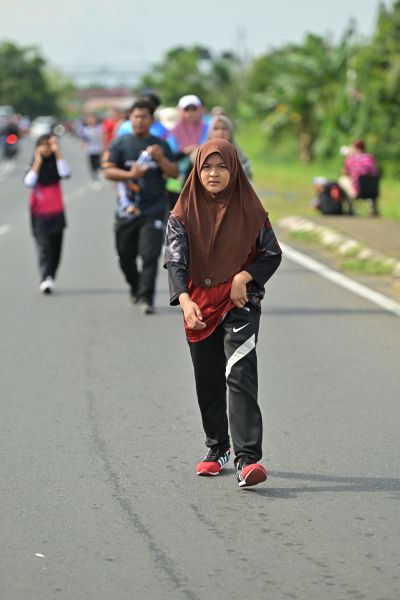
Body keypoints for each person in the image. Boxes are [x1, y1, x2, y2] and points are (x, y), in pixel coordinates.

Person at [164, 139, 282, 488]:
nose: (213, 174)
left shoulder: (251, 210)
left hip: (240, 303)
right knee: (208, 379)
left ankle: (247, 459)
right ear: (196, 171)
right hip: (198, 304)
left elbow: (271, 253)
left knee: (240, 374)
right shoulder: (182, 214)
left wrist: (244, 277)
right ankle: (218, 448)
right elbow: (175, 261)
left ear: (234, 171)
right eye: (206, 167)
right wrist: (185, 301)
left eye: (221, 167)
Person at [102, 98, 178, 314]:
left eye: (144, 117)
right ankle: (135, 286)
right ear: (130, 119)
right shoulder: (120, 143)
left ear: (151, 120)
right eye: (136, 117)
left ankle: (147, 298)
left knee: (149, 255)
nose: (140, 121)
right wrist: (130, 175)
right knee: (124, 256)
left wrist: (161, 159)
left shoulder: (160, 145)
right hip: (126, 210)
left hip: (154, 207)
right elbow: (107, 171)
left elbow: (174, 173)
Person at [23, 135, 70, 294]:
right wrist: (37, 161)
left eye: (49, 145)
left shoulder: (57, 164)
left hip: (56, 213)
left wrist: (58, 153)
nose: (46, 148)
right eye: (43, 145)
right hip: (39, 215)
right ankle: (45, 277)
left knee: (56, 248)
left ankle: (51, 275)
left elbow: (65, 173)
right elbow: (29, 182)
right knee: (44, 247)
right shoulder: (34, 165)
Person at [338, 140, 379, 215]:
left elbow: (344, 173)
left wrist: (346, 159)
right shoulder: (370, 157)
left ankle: (351, 207)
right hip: (373, 191)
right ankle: (374, 209)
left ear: (355, 148)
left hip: (358, 190)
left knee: (342, 179)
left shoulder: (351, 158)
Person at [207, 114, 252, 179]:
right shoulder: (200, 154)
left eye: (224, 128)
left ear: (230, 131)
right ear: (210, 132)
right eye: (216, 128)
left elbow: (246, 177)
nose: (220, 132)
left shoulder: (239, 155)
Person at [80, 113, 104, 180]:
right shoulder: (85, 129)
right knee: (92, 165)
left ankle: (100, 176)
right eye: (89, 119)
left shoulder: (100, 128)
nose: (90, 120)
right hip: (90, 150)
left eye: (92, 119)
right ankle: (95, 178)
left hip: (99, 149)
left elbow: (103, 137)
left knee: (99, 164)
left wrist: (104, 146)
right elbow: (83, 139)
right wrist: (82, 144)